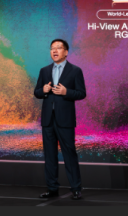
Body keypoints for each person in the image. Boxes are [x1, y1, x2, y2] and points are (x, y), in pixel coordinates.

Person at [33, 39, 87, 200]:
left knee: (69, 154)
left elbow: (81, 93)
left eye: (58, 48)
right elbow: (37, 92)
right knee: (50, 156)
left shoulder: (75, 70)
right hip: (48, 120)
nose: (55, 51)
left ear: (66, 52)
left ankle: (76, 188)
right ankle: (52, 188)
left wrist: (66, 92)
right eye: (52, 48)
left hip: (65, 120)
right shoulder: (44, 71)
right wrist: (43, 90)